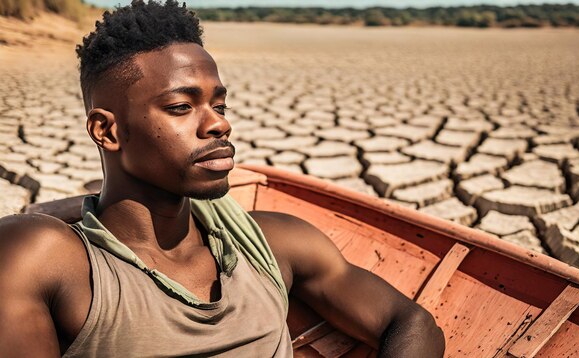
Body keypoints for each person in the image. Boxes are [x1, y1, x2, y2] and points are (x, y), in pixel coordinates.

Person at [0, 1, 445, 356]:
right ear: (108, 131)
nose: (218, 125)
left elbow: (412, 323)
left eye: (220, 105)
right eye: (181, 107)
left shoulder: (273, 244)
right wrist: (57, 212)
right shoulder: (51, 258)